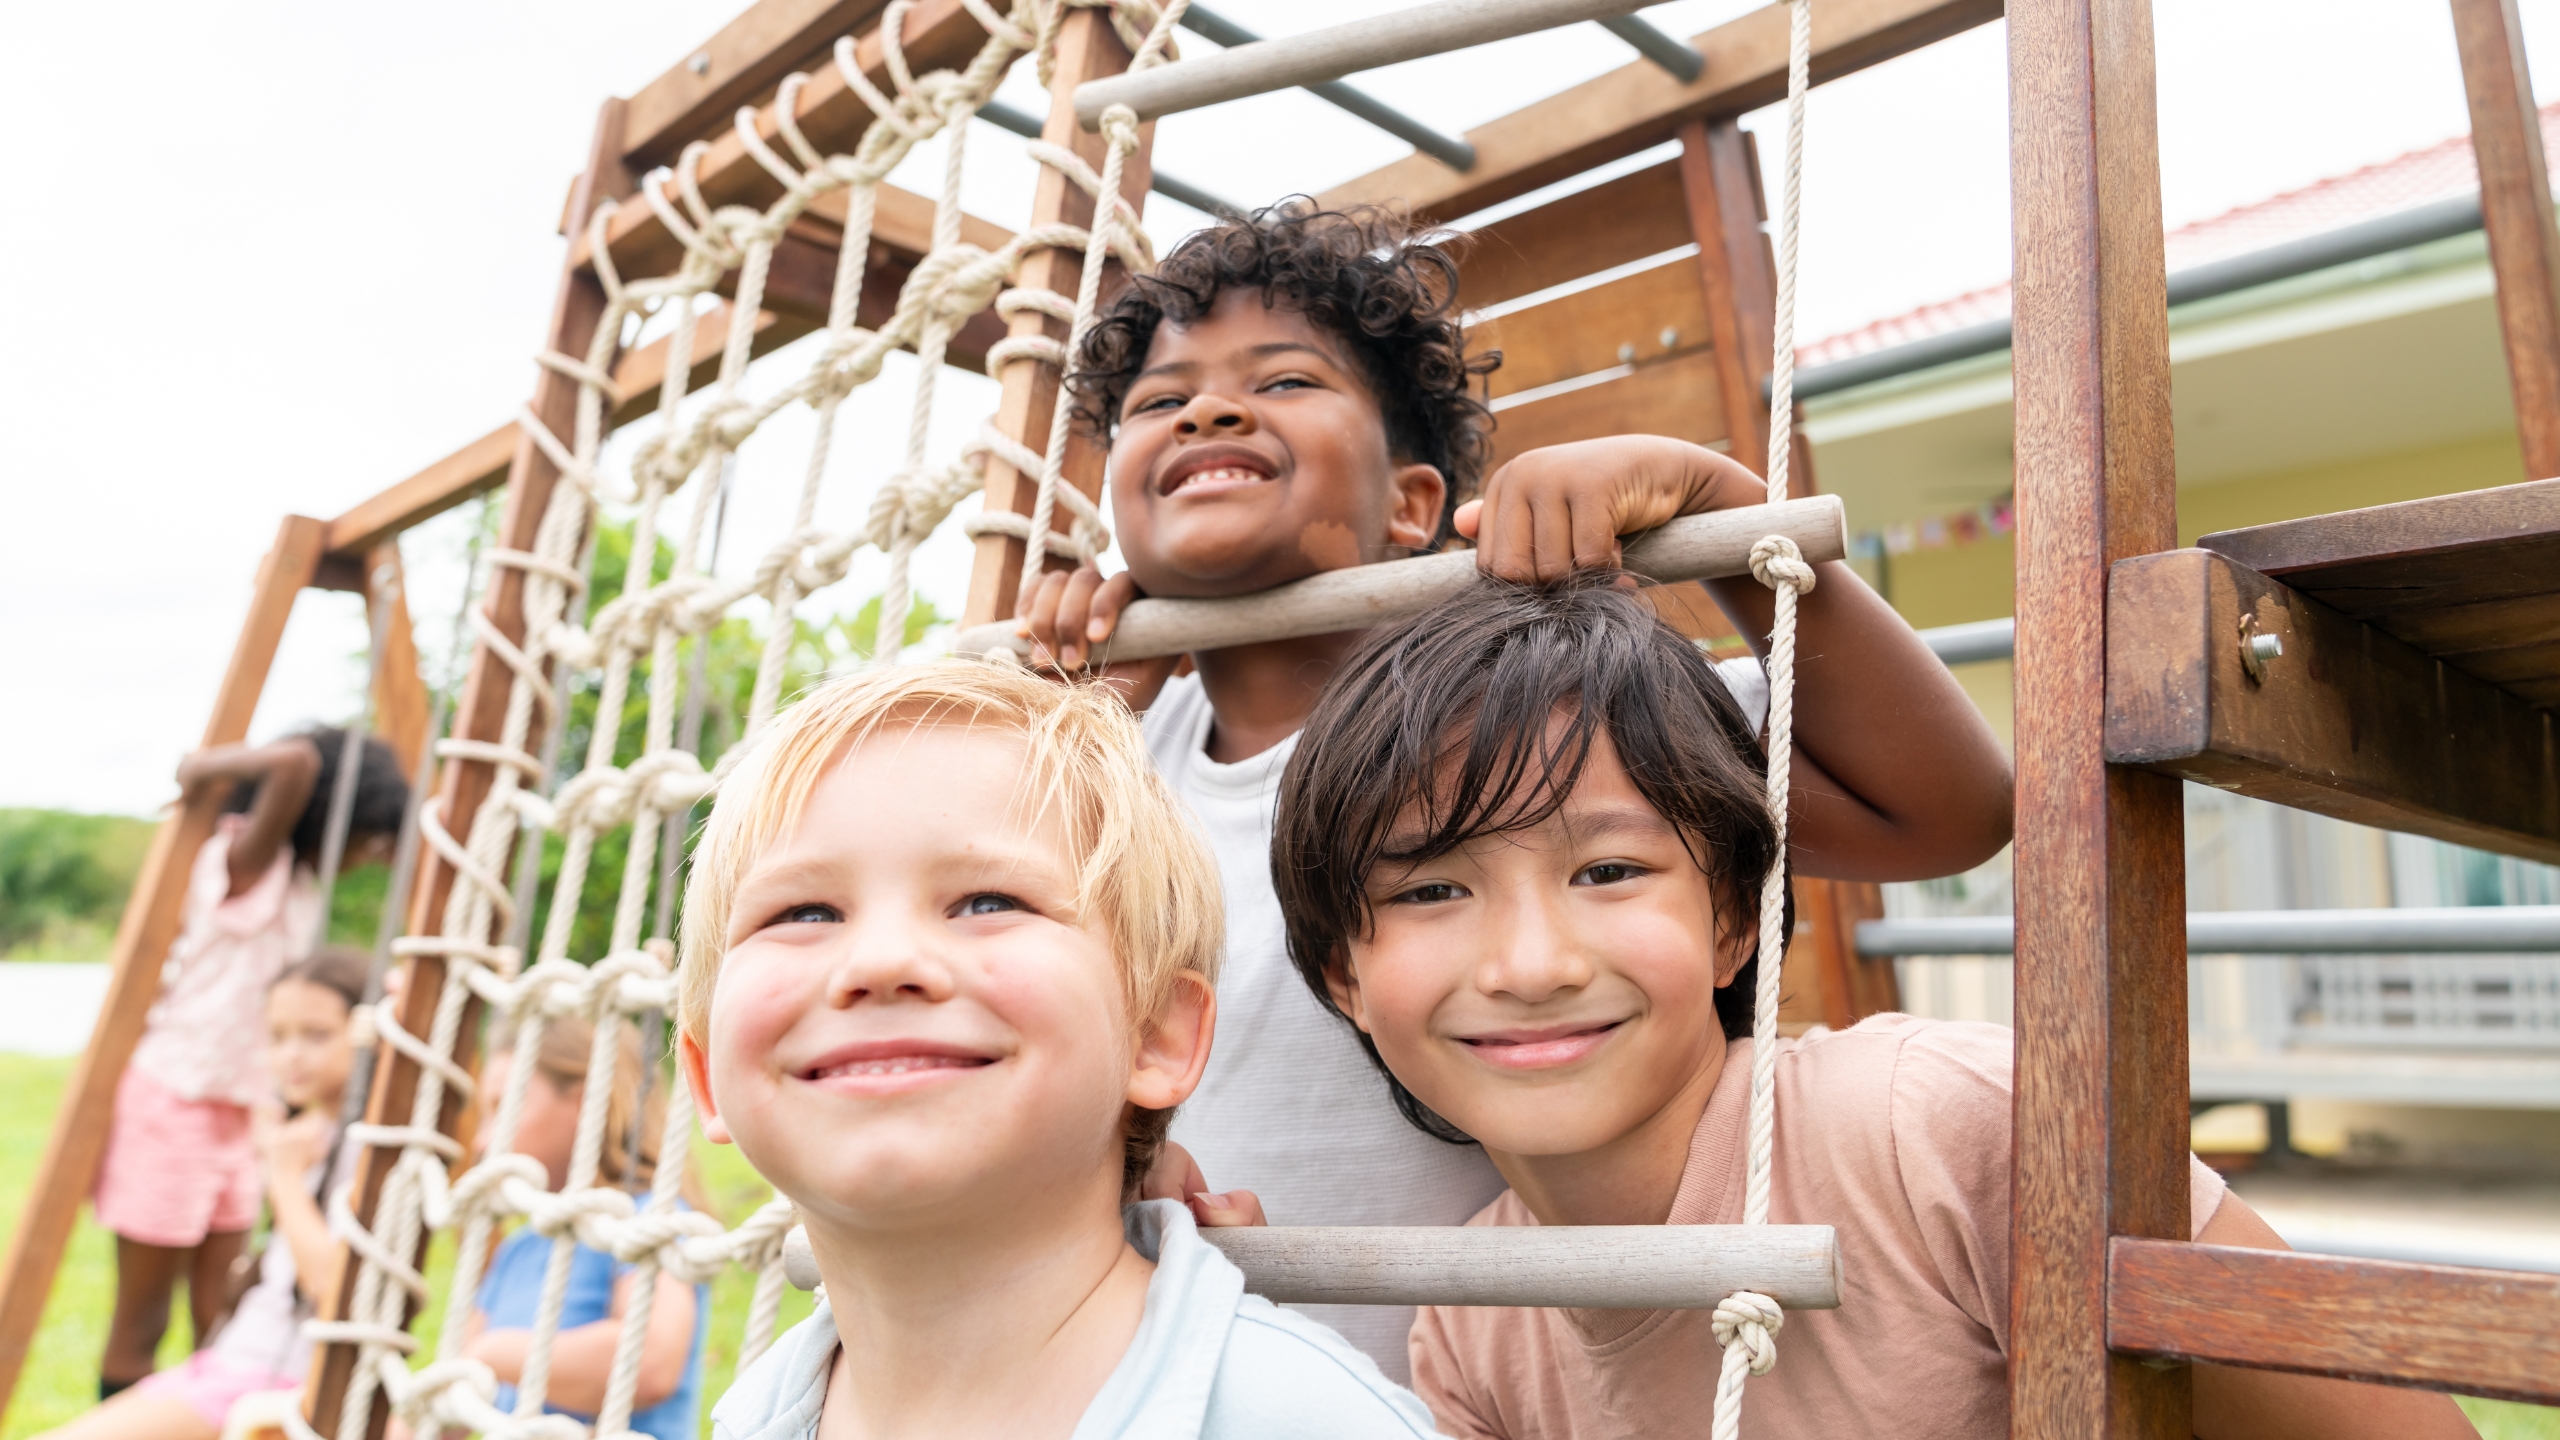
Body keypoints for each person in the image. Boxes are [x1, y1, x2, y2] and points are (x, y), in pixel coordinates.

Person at [1017, 202, 2016, 1374]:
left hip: (1509, 1379)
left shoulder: (1533, 718)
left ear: (1412, 506)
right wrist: (1068, 717)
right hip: (1201, 1367)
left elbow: (1942, 811)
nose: (1207, 411)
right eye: (1157, 403)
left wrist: (1720, 511)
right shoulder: (1112, 757)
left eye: (1283, 381)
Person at [1265, 577, 2480, 1440]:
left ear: (1734, 915)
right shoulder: (1470, 1325)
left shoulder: (1940, 1127)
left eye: (1610, 870)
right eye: (1430, 889)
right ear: (1338, 973)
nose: (1530, 963)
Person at [675, 662, 1436, 1439]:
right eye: (804, 913)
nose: (881, 961)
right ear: (705, 1075)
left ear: (1156, 1035)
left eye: (987, 902)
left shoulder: (1312, 1419)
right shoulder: (749, 1419)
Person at [93, 731, 407, 1397]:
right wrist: (198, 767)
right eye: (370, 837)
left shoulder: (298, 884)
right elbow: (295, 762)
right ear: (336, 816)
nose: (370, 856)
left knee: (223, 1315)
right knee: (144, 1319)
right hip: (177, 1099)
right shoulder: (247, 862)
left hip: (246, 1114)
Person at [43, 948, 374, 1440]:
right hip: (229, 1363)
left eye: (317, 1035)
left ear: (367, 1033)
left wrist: (284, 1179)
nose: (292, 1055)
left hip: (277, 1376)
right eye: (278, 1037)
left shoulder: (364, 1151)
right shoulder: (306, 1136)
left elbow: (336, 1291)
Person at [458, 1015, 711, 1440]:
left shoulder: (648, 1221)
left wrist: (494, 1354)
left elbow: (650, 1363)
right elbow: (458, 1389)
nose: (481, 1141)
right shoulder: (518, 1249)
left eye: (502, 1107)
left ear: (583, 1105)